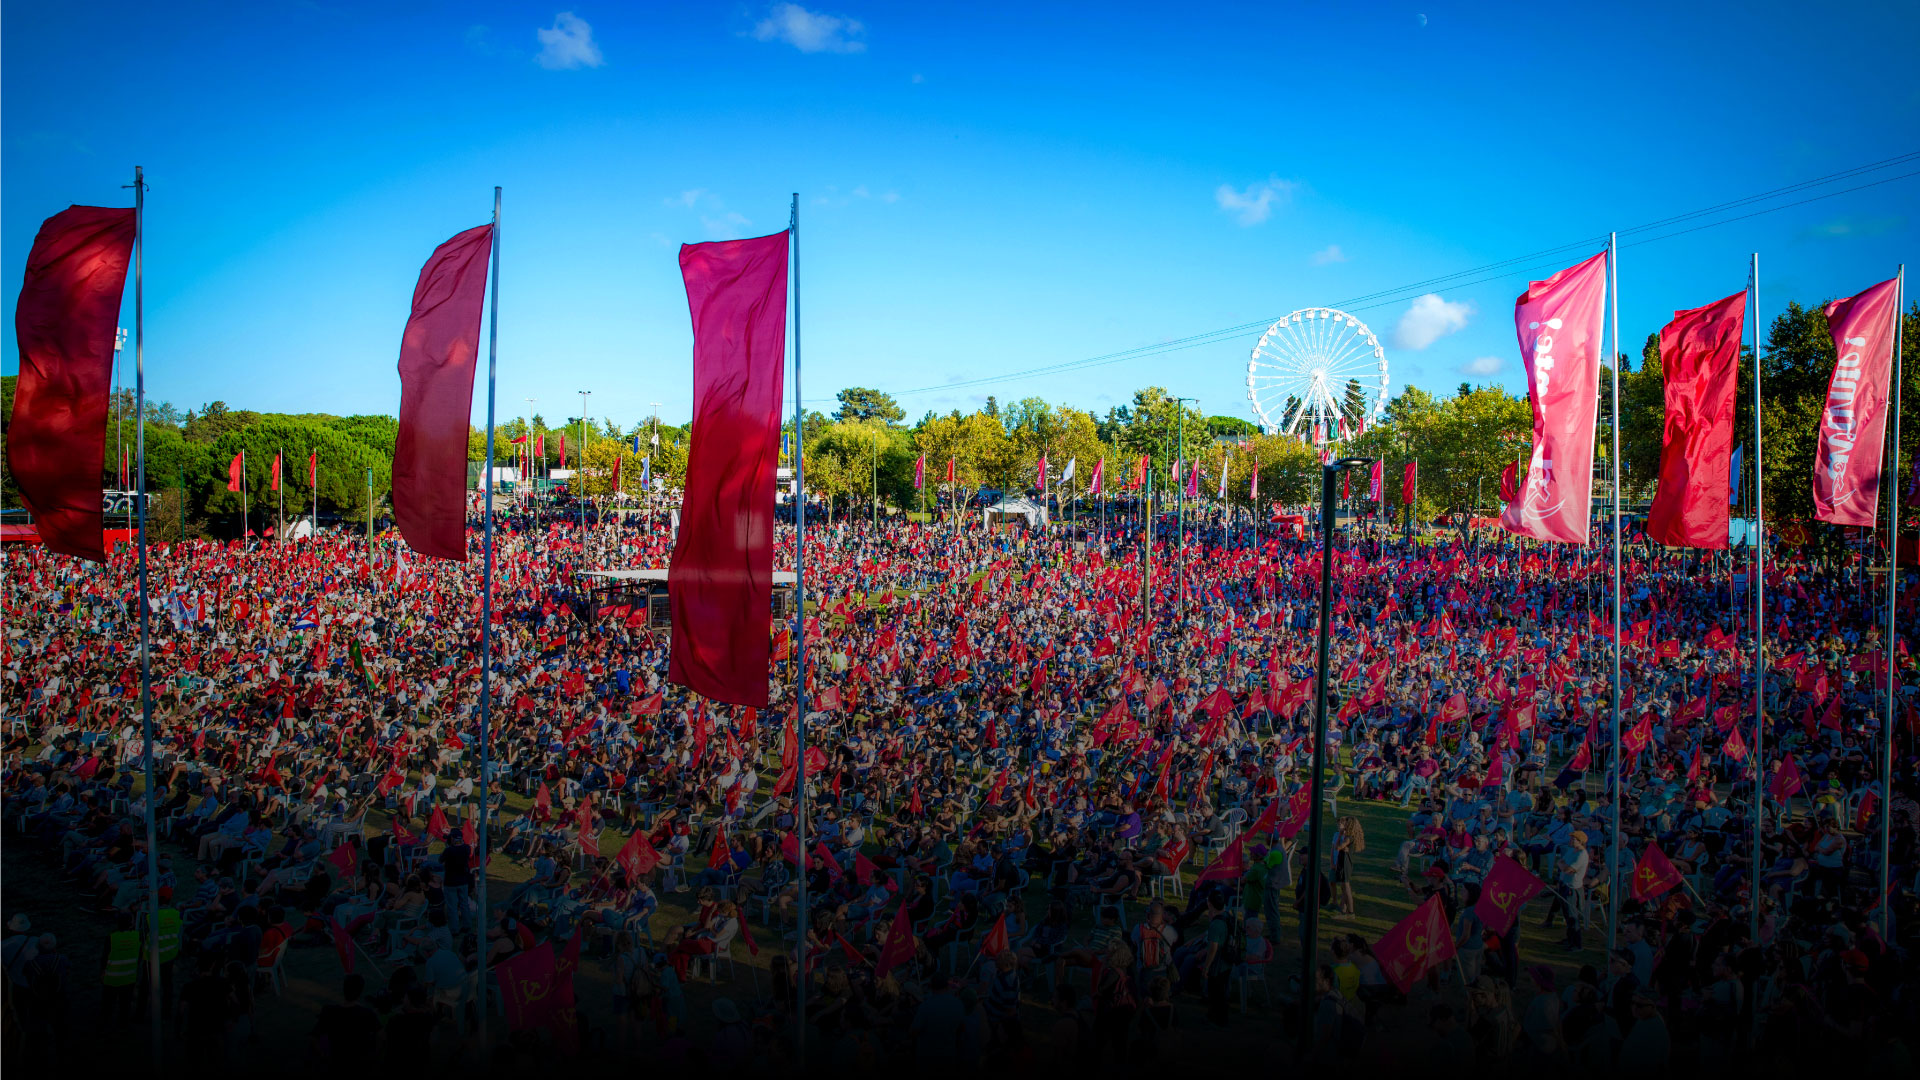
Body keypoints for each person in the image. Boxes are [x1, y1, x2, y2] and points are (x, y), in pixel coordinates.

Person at [311, 973, 380, 1063]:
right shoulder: (367, 1014)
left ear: (344, 989)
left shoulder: (329, 1011)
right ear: (360, 992)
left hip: (336, 1059)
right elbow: (381, 1036)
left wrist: (323, 1055)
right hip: (360, 1061)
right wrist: (374, 1056)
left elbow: (313, 1037)